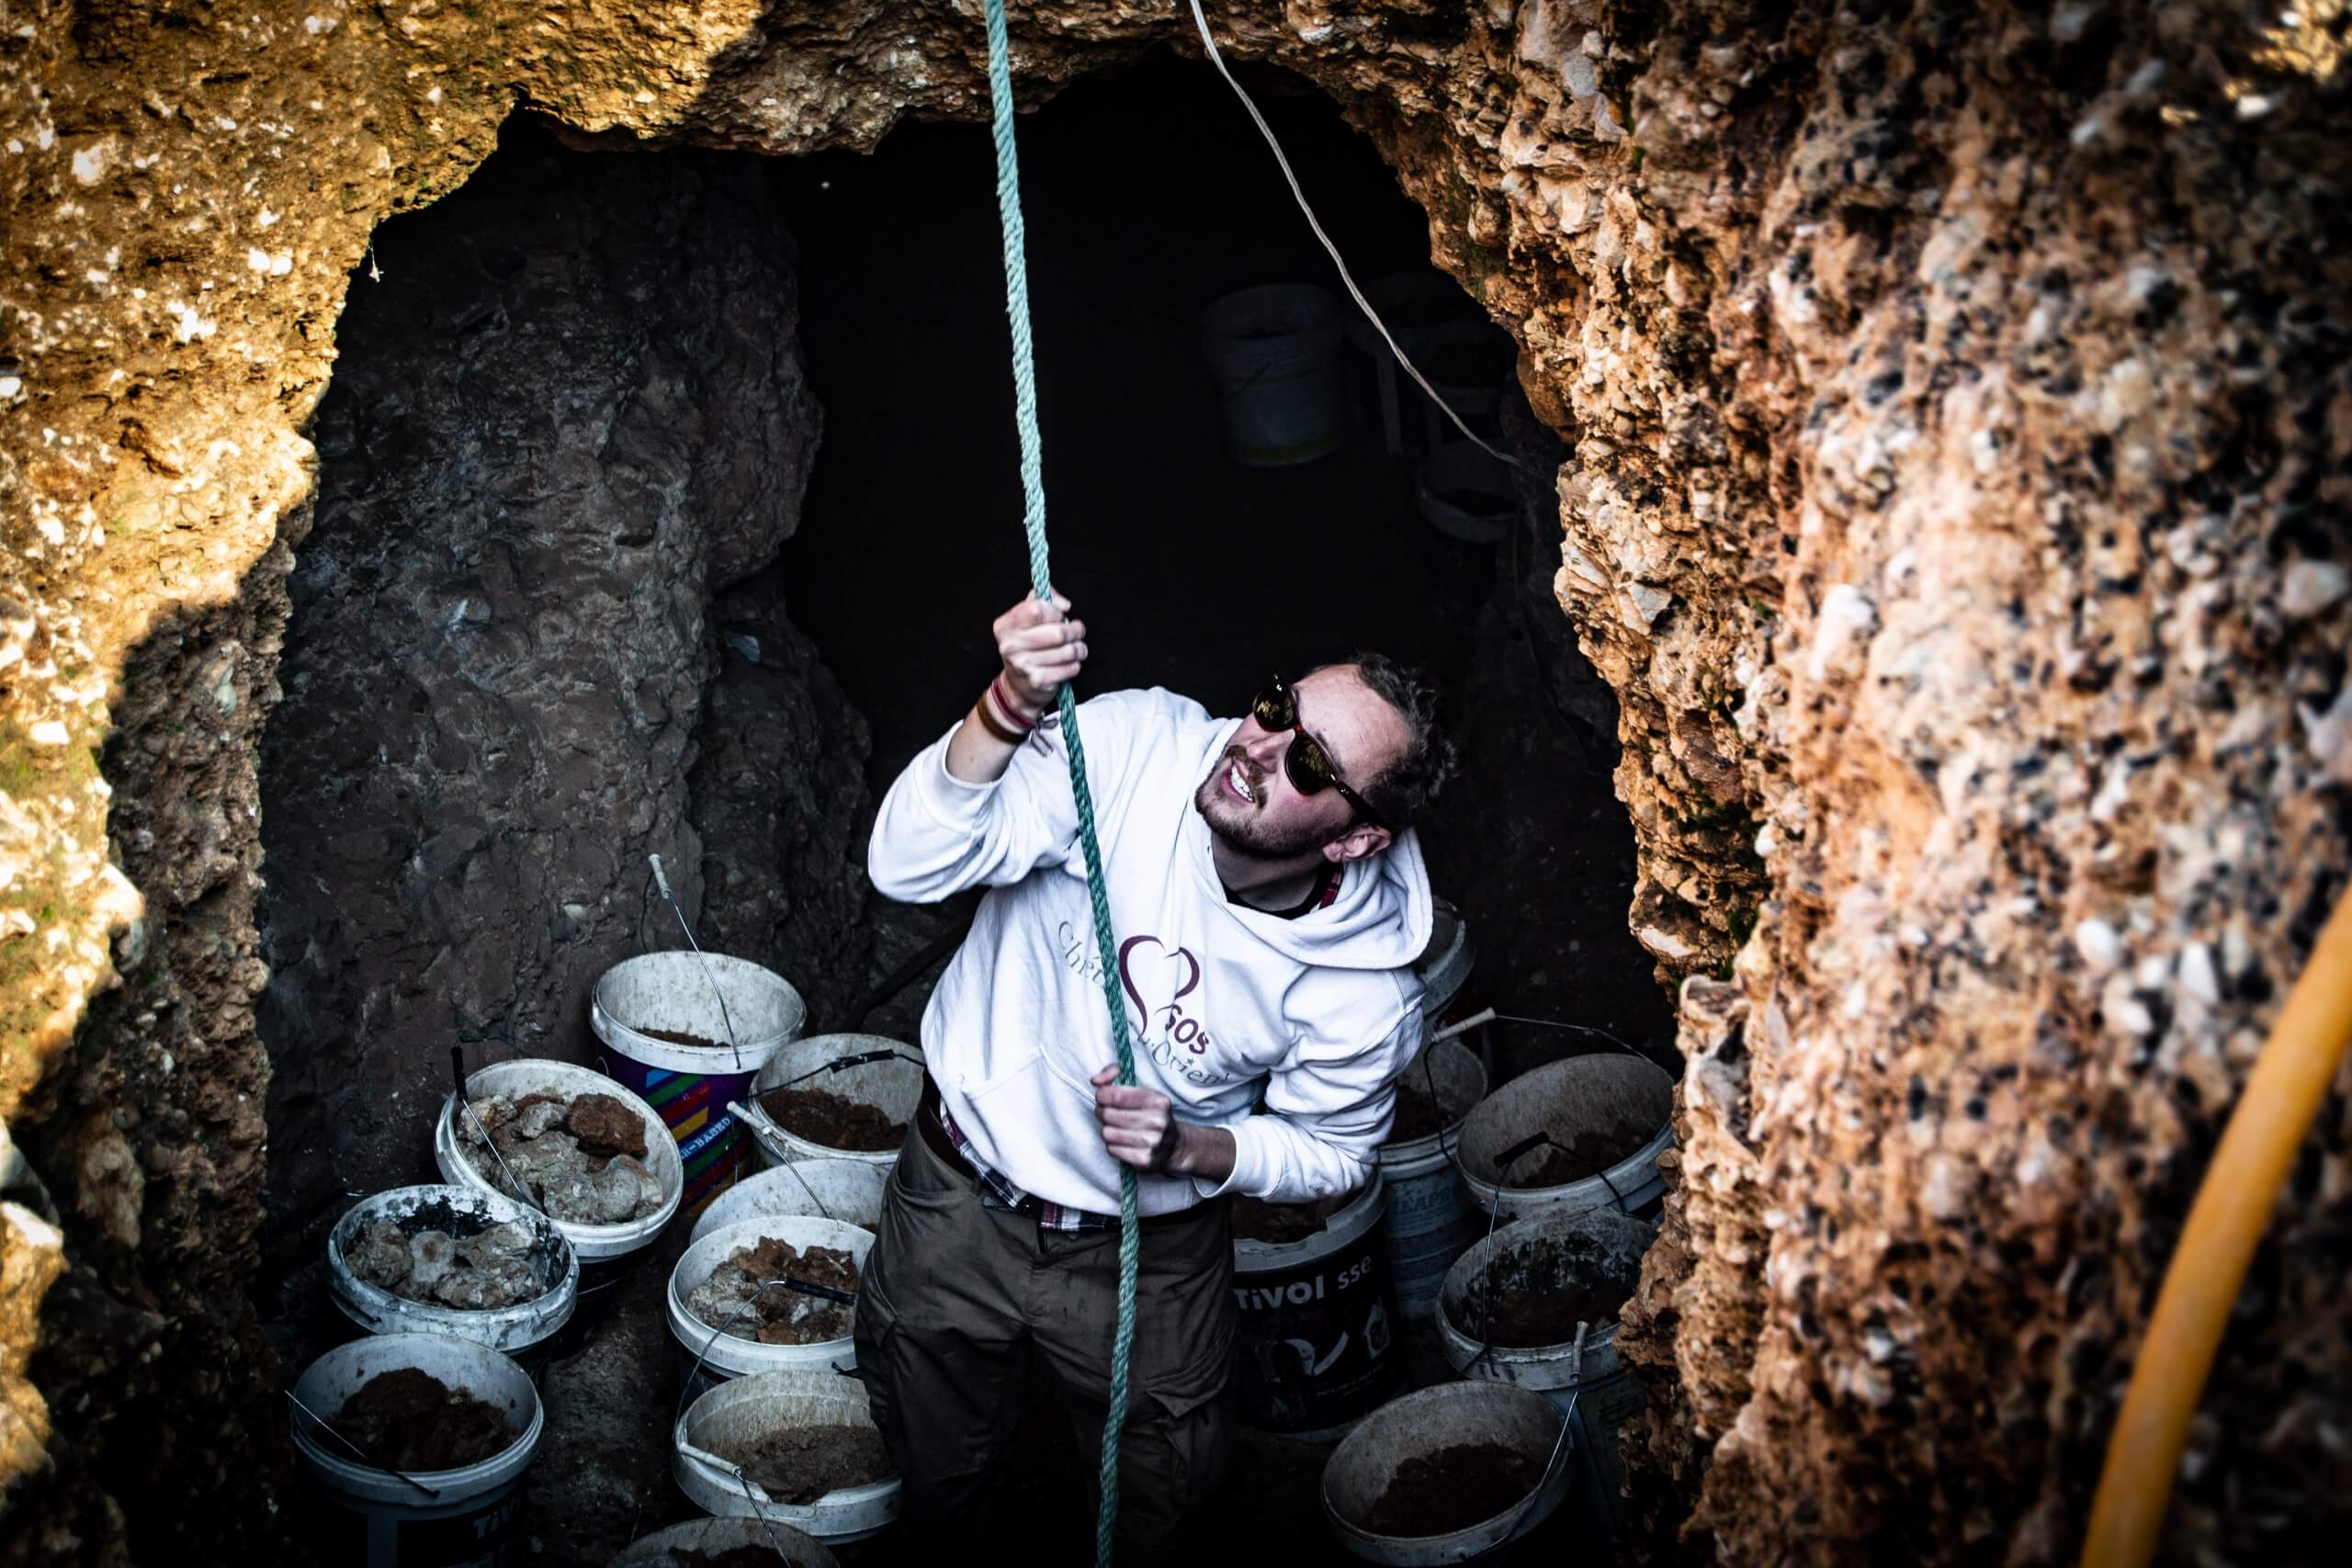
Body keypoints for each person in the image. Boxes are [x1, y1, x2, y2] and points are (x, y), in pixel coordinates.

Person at [854, 592, 1453, 1562]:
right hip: (957, 1198)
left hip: (1150, 1252)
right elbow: (908, 866)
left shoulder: (1362, 992)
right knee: (933, 1469)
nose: (1260, 747)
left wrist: (1195, 1147)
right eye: (1274, 708)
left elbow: (1337, 1154)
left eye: (1310, 763)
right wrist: (1005, 707)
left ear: (1353, 839)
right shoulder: (1137, 749)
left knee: (1163, 1496)